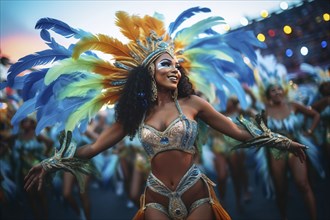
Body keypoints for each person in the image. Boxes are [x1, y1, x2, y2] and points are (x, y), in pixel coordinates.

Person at [4, 7, 307, 220]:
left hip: (195, 189)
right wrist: (52, 163)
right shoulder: (135, 114)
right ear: (149, 70)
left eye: (177, 65)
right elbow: (94, 148)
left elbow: (239, 132)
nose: (175, 69)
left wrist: (283, 142)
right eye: (166, 64)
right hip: (156, 194)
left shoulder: (193, 104)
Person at [263, 84, 320, 220]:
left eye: (279, 89)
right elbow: (261, 133)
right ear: (268, 95)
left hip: (295, 149)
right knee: (281, 189)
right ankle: (284, 216)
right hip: (276, 151)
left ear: (283, 91)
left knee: (303, 184)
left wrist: (310, 131)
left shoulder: (293, 105)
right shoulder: (265, 112)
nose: (277, 92)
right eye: (273, 90)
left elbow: (315, 115)